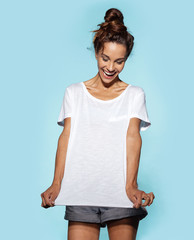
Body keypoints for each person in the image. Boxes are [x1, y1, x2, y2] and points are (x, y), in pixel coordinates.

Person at [41, 8, 155, 240]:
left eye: (119, 61)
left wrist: (131, 186)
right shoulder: (74, 92)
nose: (111, 67)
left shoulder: (134, 94)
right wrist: (55, 183)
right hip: (80, 192)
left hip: (121, 195)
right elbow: (66, 138)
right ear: (96, 52)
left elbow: (133, 138)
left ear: (126, 59)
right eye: (105, 58)